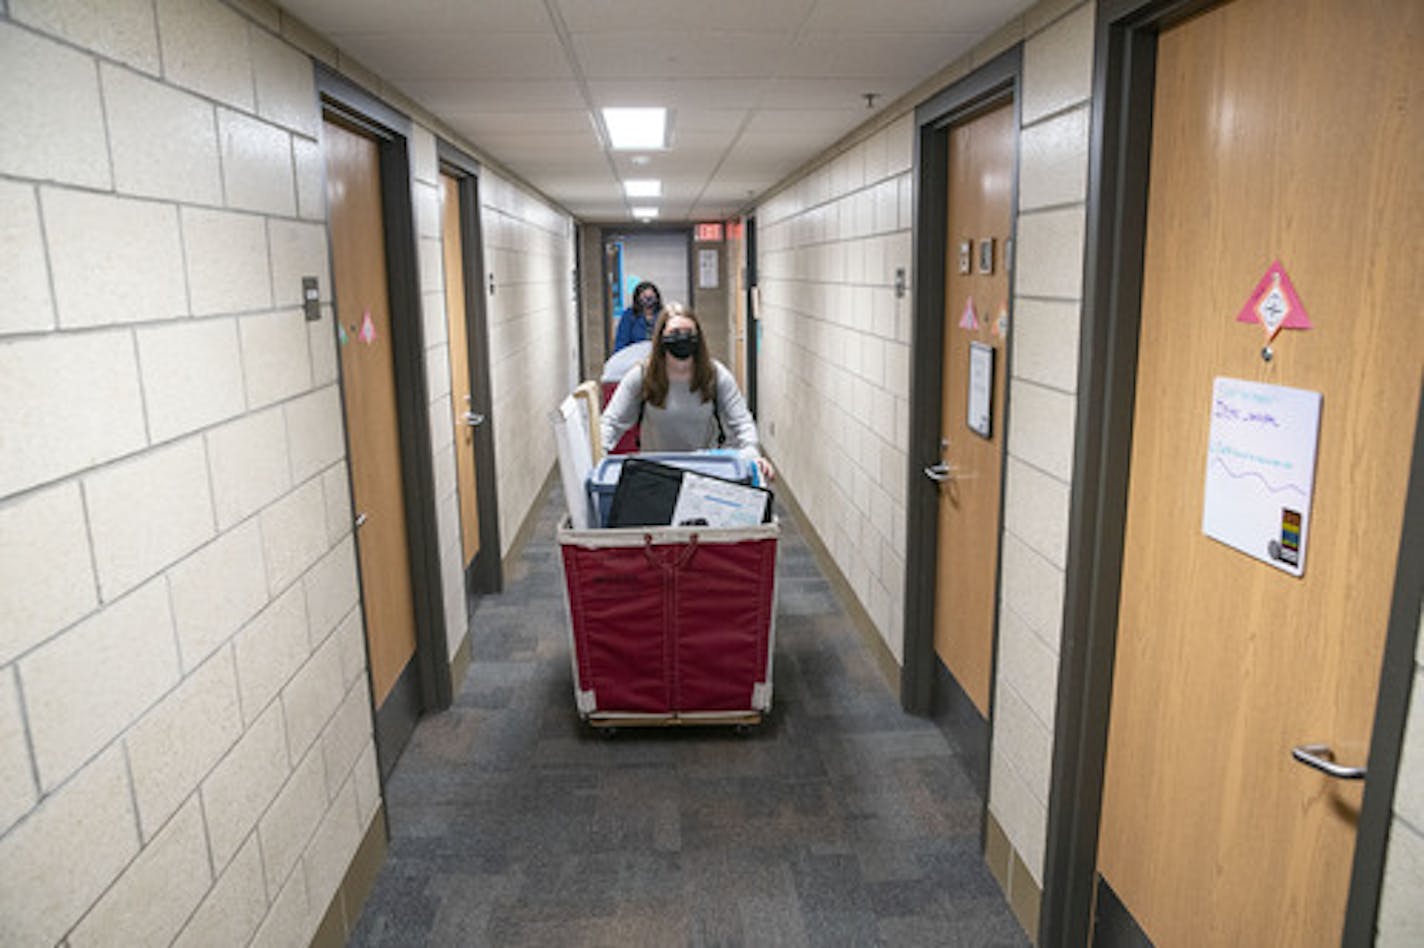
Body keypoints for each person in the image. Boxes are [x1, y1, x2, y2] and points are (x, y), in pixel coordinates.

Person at [601, 303, 775, 483]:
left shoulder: (714, 375)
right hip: (656, 474)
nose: (682, 338)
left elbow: (741, 423)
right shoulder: (641, 376)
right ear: (660, 338)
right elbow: (612, 422)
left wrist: (752, 454)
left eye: (688, 333)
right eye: (674, 333)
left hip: (705, 474)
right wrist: (596, 453)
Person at [612, 281, 662, 352]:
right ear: (637, 298)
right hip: (635, 356)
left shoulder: (663, 314)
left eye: (651, 296)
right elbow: (621, 341)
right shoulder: (629, 315)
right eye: (644, 296)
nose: (648, 299)